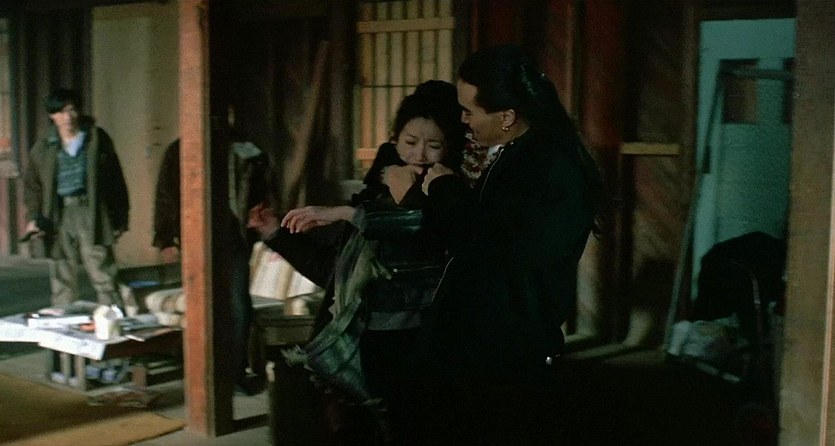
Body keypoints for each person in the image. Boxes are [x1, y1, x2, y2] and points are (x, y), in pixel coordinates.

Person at [247, 80, 468, 445]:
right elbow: (333, 273)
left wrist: (345, 212)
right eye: (410, 142)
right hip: (361, 343)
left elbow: (420, 231)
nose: (420, 155)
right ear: (394, 140)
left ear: (451, 147)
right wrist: (275, 234)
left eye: (434, 145)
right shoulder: (375, 195)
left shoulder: (450, 196)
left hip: (417, 345)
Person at [410, 44, 606, 445]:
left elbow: (487, 244)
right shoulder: (525, 154)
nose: (462, 120)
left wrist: (444, 188)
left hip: (509, 342)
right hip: (499, 337)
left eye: (469, 111)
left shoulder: (544, 167)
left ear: (507, 116)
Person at [152, 111, 270, 394]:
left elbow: (263, 187)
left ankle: (236, 372)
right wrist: (166, 237)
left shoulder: (243, 148)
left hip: (233, 236)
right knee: (202, 305)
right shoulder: (179, 150)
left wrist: (262, 220)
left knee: (239, 306)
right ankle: (203, 374)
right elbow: (166, 195)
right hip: (196, 236)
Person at [23, 88, 129, 308]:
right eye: (60, 112)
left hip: (90, 211)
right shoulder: (43, 147)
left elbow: (115, 181)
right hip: (59, 213)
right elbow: (33, 187)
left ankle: (113, 315)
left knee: (102, 269)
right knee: (61, 273)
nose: (67, 117)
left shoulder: (96, 139)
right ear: (52, 116)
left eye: (71, 110)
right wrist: (34, 217)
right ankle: (62, 319)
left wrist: (119, 218)